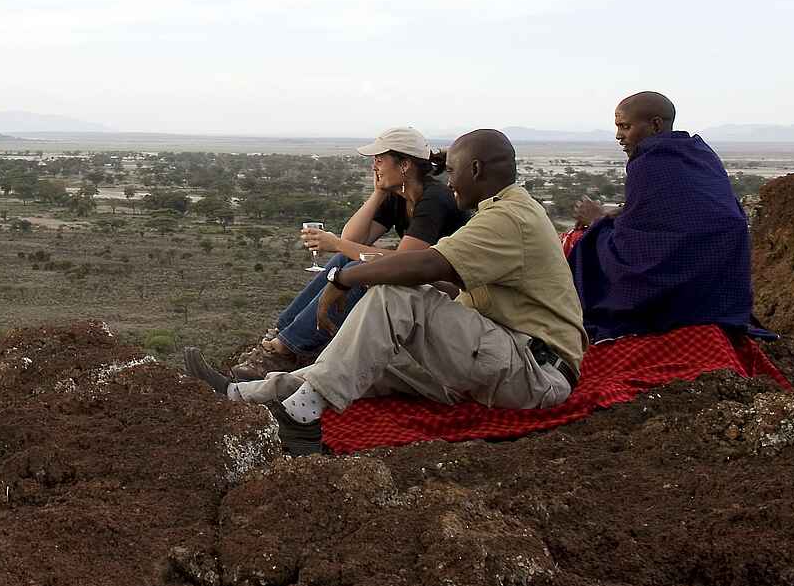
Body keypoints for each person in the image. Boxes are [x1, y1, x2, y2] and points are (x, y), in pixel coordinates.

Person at [184, 129, 584, 456]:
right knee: (362, 358)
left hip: (534, 373)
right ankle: (244, 394)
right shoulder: (502, 210)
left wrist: (342, 281)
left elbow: (423, 265)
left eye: (455, 170)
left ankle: (301, 419)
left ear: (476, 169)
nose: (449, 179)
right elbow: (433, 274)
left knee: (393, 293)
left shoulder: (508, 218)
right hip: (503, 358)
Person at [232, 126, 469, 376]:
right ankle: (282, 335)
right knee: (344, 258)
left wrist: (336, 243)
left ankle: (286, 351)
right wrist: (378, 194)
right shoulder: (398, 196)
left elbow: (406, 263)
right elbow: (352, 239)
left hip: (454, 288)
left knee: (360, 268)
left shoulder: (434, 199)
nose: (374, 167)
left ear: (405, 165)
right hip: (422, 277)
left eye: (379, 160)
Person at [568, 91, 758, 341]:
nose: (618, 136)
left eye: (625, 126)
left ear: (656, 125)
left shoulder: (648, 162)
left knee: (584, 246)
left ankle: (572, 324)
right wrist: (620, 215)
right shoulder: (700, 153)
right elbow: (670, 215)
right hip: (720, 290)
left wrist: (597, 221)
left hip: (676, 284)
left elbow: (640, 246)